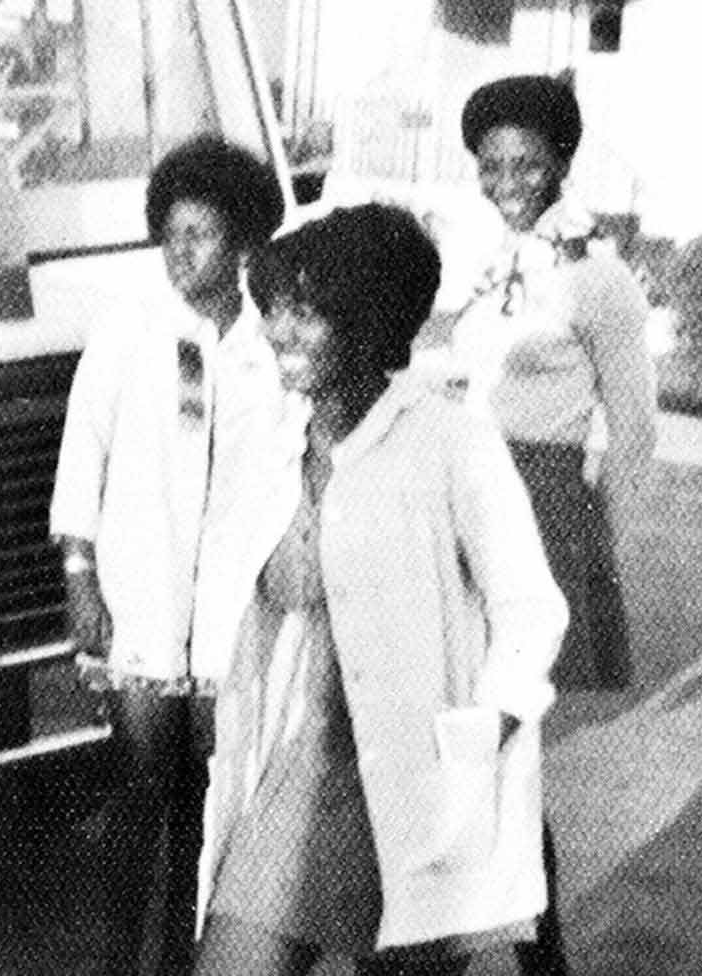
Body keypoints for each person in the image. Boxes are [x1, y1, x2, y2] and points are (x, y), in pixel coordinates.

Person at [195, 203, 568, 976]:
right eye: (275, 310)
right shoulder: (275, 444)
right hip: (305, 771)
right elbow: (263, 590)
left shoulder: (449, 439)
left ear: (366, 323)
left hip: (417, 782)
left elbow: (529, 607)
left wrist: (481, 735)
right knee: (231, 961)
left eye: (307, 314)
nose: (278, 332)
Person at [49, 134, 285, 976]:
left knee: (206, 796)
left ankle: (184, 961)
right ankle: (117, 960)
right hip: (141, 599)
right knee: (139, 786)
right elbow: (85, 451)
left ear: (245, 242)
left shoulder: (272, 341)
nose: (179, 254)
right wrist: (79, 574)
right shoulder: (132, 328)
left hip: (229, 613)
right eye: (170, 235)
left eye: (201, 235)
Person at [449, 73, 658, 976]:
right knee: (485, 748)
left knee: (514, 746)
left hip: (540, 517)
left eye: (526, 164)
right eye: (491, 165)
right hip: (471, 507)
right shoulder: (486, 262)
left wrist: (594, 549)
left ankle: (536, 953)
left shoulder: (598, 278)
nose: (507, 181)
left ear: (562, 163)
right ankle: (521, 949)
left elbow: (638, 429)